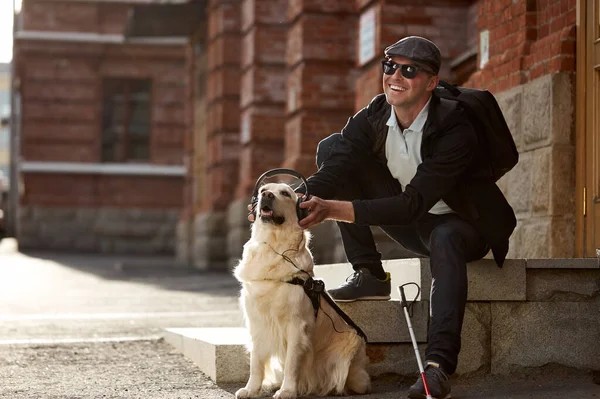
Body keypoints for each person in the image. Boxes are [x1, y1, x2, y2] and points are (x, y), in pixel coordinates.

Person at [293, 36, 517, 399]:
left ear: (431, 82)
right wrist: (289, 198)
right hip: (413, 224)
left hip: (461, 225)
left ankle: (437, 368)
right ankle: (369, 272)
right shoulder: (376, 113)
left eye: (409, 70)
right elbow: (336, 167)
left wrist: (332, 209)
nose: (395, 76)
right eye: (389, 66)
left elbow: (411, 203)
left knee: (445, 237)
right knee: (334, 147)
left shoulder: (456, 129)